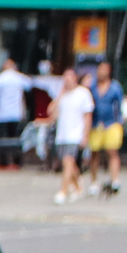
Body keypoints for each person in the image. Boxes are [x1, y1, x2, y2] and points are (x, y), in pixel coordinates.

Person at [52, 68, 95, 204]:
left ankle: (62, 192)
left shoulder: (83, 93)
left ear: (75, 79)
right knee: (70, 164)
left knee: (68, 161)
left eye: (69, 77)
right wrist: (60, 95)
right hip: (62, 135)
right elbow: (51, 111)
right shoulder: (63, 96)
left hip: (75, 134)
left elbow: (87, 116)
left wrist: (85, 134)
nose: (67, 80)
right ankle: (77, 187)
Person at [88, 59, 126, 197]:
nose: (101, 72)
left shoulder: (115, 87)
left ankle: (115, 179)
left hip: (111, 123)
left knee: (112, 151)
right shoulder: (92, 86)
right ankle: (93, 181)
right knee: (94, 152)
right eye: (99, 69)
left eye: (104, 69)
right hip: (96, 123)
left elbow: (120, 105)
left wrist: (120, 120)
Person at [0, 57, 30, 167]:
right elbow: (29, 84)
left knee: (2, 139)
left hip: (2, 114)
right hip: (16, 114)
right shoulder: (18, 78)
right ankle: (17, 161)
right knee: (16, 139)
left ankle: (3, 162)